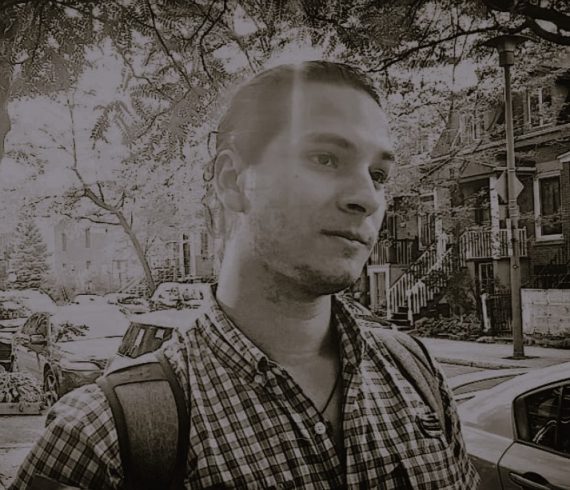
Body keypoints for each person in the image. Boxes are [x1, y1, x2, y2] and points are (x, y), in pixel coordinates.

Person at [10, 61, 479, 489]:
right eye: (325, 158)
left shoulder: (416, 373)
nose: (368, 198)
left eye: (378, 175)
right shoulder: (101, 438)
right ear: (233, 180)